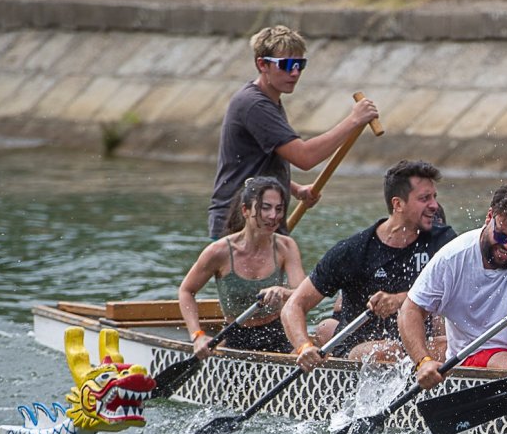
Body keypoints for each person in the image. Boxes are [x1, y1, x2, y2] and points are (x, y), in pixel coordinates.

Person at [206, 24, 379, 240]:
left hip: (264, 221)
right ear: (262, 64)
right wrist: (353, 120)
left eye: (299, 65)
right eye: (286, 65)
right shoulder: (255, 105)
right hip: (240, 225)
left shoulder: (270, 102)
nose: (295, 73)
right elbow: (304, 157)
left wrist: (295, 190)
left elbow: (256, 166)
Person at [283, 160, 455, 368]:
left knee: (452, 345)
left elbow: (459, 291)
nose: (434, 205)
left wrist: (400, 300)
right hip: (358, 349)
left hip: (418, 346)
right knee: (388, 350)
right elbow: (294, 305)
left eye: (434, 197)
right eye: (424, 198)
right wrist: (304, 347)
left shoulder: (443, 240)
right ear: (398, 204)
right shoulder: (354, 251)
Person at [400, 183, 507, 390]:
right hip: (477, 354)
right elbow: (410, 310)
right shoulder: (453, 257)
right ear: (489, 217)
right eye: (502, 236)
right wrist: (423, 362)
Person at [179, 176, 306, 355]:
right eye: (265, 207)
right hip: (234, 335)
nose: (273, 216)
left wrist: (283, 292)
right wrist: (197, 335)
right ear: (245, 210)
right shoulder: (219, 251)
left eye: (279, 209)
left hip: (278, 333)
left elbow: (303, 294)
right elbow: (186, 291)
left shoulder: (286, 246)